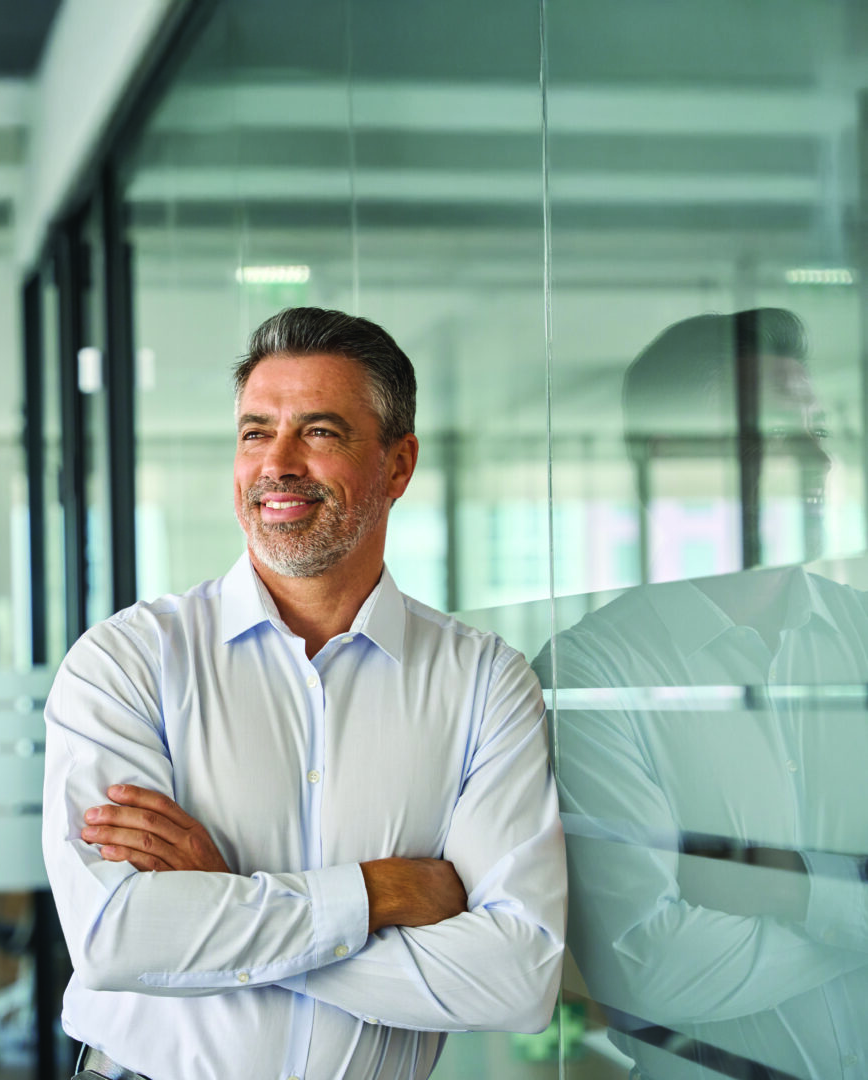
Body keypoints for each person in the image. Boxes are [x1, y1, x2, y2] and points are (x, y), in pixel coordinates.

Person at [42, 306, 567, 1080]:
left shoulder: (483, 682)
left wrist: (220, 904)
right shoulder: (127, 661)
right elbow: (117, 937)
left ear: (397, 466)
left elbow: (514, 979)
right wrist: (376, 895)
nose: (276, 463)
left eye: (318, 432)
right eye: (256, 432)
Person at [535, 308, 868, 1079]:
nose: (815, 456)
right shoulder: (591, 675)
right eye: (777, 430)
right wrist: (846, 913)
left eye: (815, 428)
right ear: (674, 457)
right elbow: (643, 970)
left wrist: (787, 893)